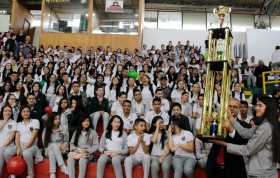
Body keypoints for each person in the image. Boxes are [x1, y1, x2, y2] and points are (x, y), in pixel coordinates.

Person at [212, 95, 280, 178]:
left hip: (262, 173)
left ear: (268, 108)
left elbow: (248, 150)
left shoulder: (266, 127)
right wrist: (231, 118)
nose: (256, 108)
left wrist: (224, 144)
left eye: (260, 105)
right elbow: (245, 133)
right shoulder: (264, 124)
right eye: (256, 105)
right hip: (261, 171)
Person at [15, 106, 42, 178]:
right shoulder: (18, 124)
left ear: (30, 113)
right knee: (7, 152)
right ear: (21, 113)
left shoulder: (35, 121)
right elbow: (17, 137)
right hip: (21, 146)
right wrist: (18, 148)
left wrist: (23, 149)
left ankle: (31, 174)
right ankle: (13, 173)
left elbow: (33, 137)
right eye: (23, 111)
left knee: (26, 152)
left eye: (27, 111)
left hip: (32, 146)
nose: (26, 113)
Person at [43, 114, 68, 178]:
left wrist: (63, 145)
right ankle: (62, 166)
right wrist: (55, 145)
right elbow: (44, 143)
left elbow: (66, 141)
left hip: (61, 149)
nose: (58, 120)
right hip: (49, 149)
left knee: (52, 153)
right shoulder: (47, 129)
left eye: (58, 119)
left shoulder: (63, 128)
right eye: (56, 119)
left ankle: (52, 173)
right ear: (51, 120)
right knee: (53, 146)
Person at [0, 105, 17, 178]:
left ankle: (12, 173)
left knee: (2, 151)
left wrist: (2, 146)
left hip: (9, 146)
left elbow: (11, 137)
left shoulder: (14, 122)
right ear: (2, 112)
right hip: (1, 146)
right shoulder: (0, 121)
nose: (7, 112)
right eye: (5, 111)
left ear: (11, 113)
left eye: (9, 111)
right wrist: (5, 121)